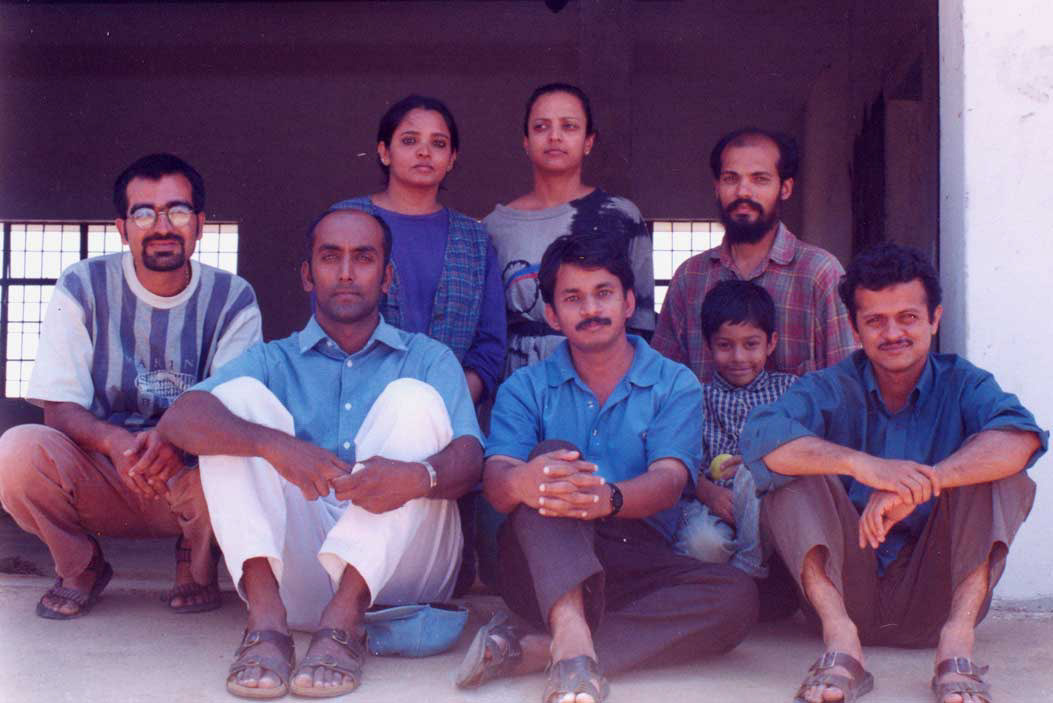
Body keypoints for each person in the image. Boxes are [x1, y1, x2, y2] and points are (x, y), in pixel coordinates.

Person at [158, 209, 483, 699]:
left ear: (387, 276)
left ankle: (347, 618)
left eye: (364, 258)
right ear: (308, 274)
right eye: (331, 258)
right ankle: (265, 622)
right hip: (302, 577)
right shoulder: (273, 359)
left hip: (405, 570)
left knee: (412, 399)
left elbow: (471, 459)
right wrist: (276, 446)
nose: (347, 273)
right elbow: (181, 418)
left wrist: (417, 478)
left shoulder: (428, 357)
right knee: (238, 404)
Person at [456, 231, 756, 703]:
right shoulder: (525, 387)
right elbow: (497, 484)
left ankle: (539, 650)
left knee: (737, 597)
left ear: (629, 301)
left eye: (604, 294)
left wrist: (608, 498)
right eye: (573, 298)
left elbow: (670, 480)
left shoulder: (673, 383)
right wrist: (524, 481)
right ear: (552, 314)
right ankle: (572, 636)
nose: (591, 309)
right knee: (551, 458)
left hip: (636, 552)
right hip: (540, 559)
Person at [739, 242, 1046, 703]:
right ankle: (842, 645)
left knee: (997, 469)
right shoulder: (830, 386)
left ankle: (956, 648)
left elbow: (1021, 437)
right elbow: (760, 435)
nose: (893, 333)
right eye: (876, 320)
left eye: (907, 317)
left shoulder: (964, 382)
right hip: (845, 589)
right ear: (855, 328)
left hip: (937, 595)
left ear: (935, 319)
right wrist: (864, 465)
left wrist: (926, 484)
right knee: (788, 469)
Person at [0, 153, 262, 619]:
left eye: (177, 211)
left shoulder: (232, 298)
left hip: (189, 476)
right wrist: (116, 443)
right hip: (104, 470)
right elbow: (58, 408)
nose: (162, 225)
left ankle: (195, 561)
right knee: (16, 451)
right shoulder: (82, 285)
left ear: (199, 224)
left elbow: (232, 406)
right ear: (123, 228)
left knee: (243, 461)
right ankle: (79, 565)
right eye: (144, 213)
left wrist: (171, 441)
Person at [330, 94, 505, 405]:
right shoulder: (345, 220)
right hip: (357, 408)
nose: (424, 152)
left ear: (451, 158)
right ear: (384, 152)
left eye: (438, 144)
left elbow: (490, 345)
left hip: (450, 416)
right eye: (410, 140)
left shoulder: (475, 239)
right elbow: (328, 322)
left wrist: (450, 402)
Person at [652, 127, 856, 383]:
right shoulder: (690, 278)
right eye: (730, 178)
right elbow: (662, 386)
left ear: (785, 188)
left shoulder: (820, 274)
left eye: (760, 179)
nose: (743, 192)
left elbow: (848, 388)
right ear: (716, 187)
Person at [484, 82, 655, 377]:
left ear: (589, 141)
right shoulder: (495, 227)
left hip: (606, 377)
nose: (554, 136)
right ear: (526, 141)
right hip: (520, 381)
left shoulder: (621, 216)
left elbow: (641, 322)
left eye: (569, 126)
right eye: (541, 127)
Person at [674, 280, 797, 579]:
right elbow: (682, 461)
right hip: (712, 504)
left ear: (771, 342)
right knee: (702, 544)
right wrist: (708, 492)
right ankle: (722, 586)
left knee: (753, 466)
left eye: (751, 344)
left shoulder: (790, 391)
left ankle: (749, 571)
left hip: (768, 510)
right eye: (725, 345)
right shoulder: (695, 397)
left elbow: (806, 447)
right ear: (709, 345)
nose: (739, 357)